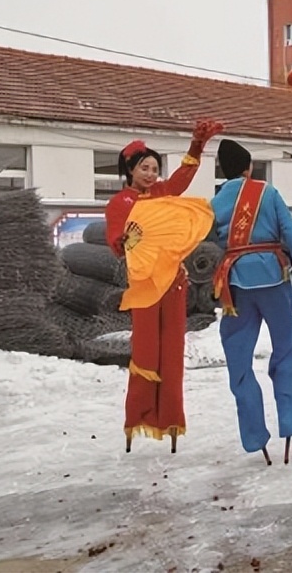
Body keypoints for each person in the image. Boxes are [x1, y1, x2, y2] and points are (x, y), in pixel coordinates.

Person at [211, 139, 292, 465]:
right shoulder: (266, 192)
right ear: (248, 168)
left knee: (238, 358)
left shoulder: (215, 201)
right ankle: (291, 420)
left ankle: (255, 436)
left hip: (235, 285)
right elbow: (291, 232)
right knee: (288, 347)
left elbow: (205, 240)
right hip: (273, 277)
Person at [105, 119, 223, 453]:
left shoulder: (162, 193)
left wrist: (197, 146)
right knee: (145, 350)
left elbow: (181, 179)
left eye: (155, 169)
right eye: (145, 168)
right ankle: (137, 417)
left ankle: (171, 417)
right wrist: (123, 241)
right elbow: (116, 239)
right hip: (144, 284)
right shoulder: (120, 203)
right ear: (130, 170)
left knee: (172, 351)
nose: (151, 174)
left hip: (174, 281)